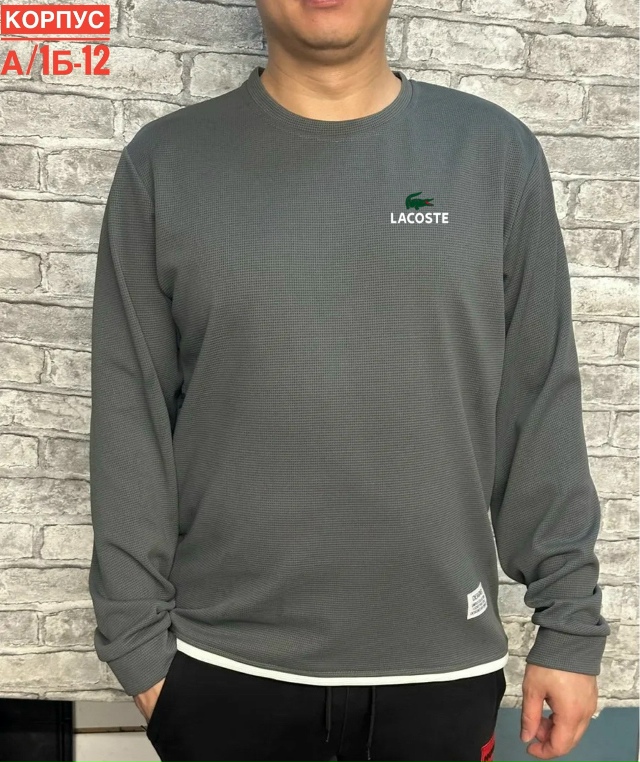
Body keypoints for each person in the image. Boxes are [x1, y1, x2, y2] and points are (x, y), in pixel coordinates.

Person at [88, 0, 610, 760]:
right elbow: (129, 412)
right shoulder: (166, 164)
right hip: (221, 669)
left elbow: (539, 400)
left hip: (441, 667)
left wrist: (568, 625)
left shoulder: (493, 155)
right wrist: (139, 650)